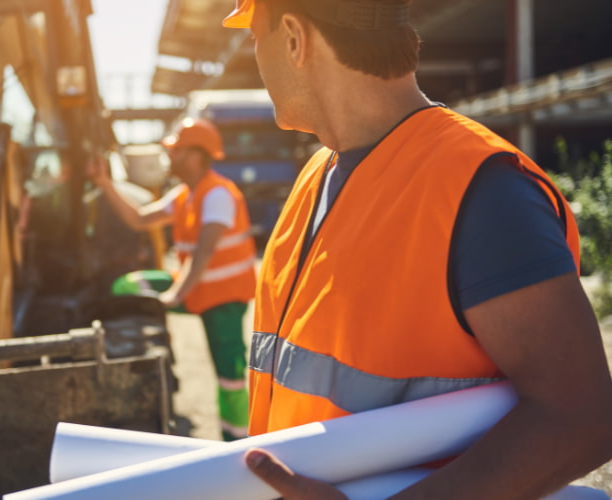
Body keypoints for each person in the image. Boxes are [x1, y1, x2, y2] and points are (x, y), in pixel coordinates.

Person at [220, 0, 612, 498]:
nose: (256, 56)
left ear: (295, 38)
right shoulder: (315, 177)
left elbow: (581, 416)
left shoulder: (484, 191)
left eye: (256, 36)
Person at [87, 117, 257, 441]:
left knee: (230, 376)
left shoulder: (217, 195)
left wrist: (175, 294)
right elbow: (140, 219)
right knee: (129, 286)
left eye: (176, 150)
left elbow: (204, 251)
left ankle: (238, 441)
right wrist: (105, 184)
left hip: (224, 299)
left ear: (196, 156)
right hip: (196, 289)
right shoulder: (184, 195)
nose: (169, 156)